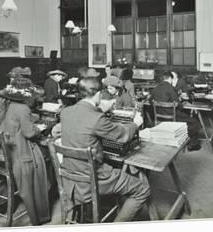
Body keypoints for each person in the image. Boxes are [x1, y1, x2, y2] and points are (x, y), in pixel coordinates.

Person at [60, 77, 150, 222]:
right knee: (142, 189)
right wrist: (135, 124)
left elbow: (83, 119)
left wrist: (100, 109)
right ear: (99, 94)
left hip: (69, 175)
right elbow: (123, 135)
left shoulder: (65, 112)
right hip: (94, 178)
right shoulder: (97, 119)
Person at [0, 78, 51, 225]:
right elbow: (29, 133)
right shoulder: (22, 108)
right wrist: (39, 128)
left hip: (0, 153)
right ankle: (40, 211)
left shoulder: (3, 104)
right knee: (45, 159)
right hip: (18, 155)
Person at [151, 71, 201, 151]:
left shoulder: (154, 89)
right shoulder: (170, 88)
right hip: (172, 116)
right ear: (170, 79)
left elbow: (151, 102)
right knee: (194, 122)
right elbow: (178, 105)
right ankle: (193, 145)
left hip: (159, 117)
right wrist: (181, 101)